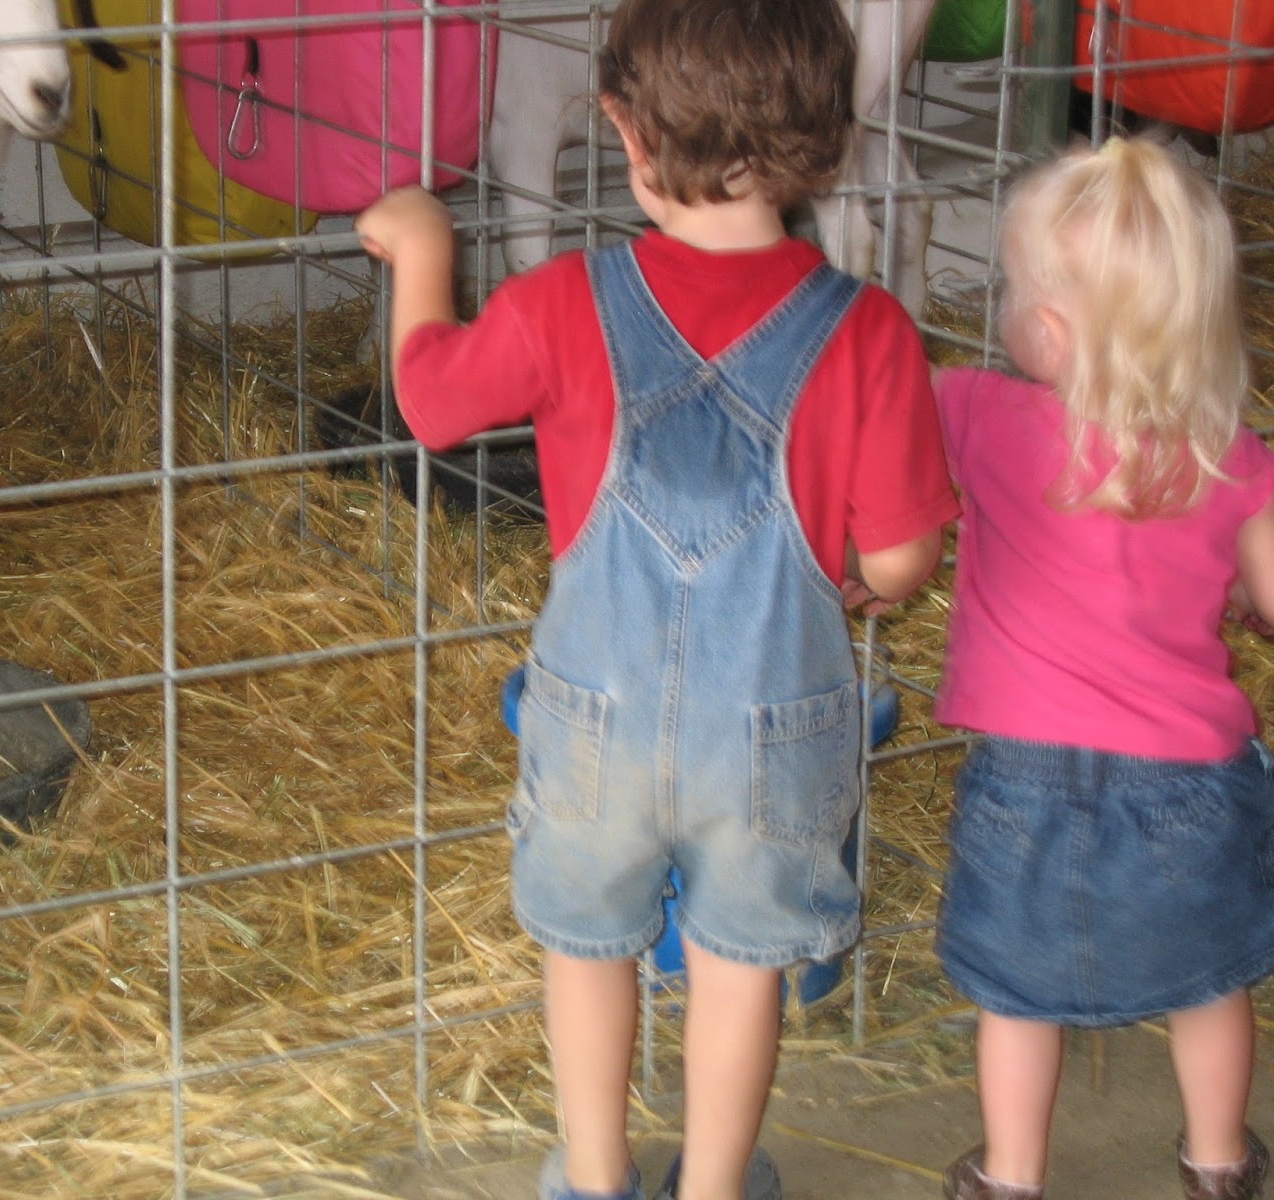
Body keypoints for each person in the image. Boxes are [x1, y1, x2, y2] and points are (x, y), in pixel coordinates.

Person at [356, 1, 957, 1196]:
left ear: (625, 136)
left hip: (595, 723)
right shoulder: (870, 330)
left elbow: (428, 405)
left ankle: (593, 1176)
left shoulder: (561, 302)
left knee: (588, 947)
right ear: (826, 142)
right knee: (739, 964)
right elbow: (899, 565)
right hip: (774, 735)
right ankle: (715, 1188)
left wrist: (424, 248)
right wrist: (833, 575)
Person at [932, 134, 1274, 1200]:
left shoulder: (978, 415)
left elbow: (885, 477)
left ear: (1042, 326)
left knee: (1016, 997)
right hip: (1190, 783)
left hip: (1021, 783)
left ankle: (1011, 1175)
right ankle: (1218, 1162)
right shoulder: (1231, 449)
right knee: (1210, 983)